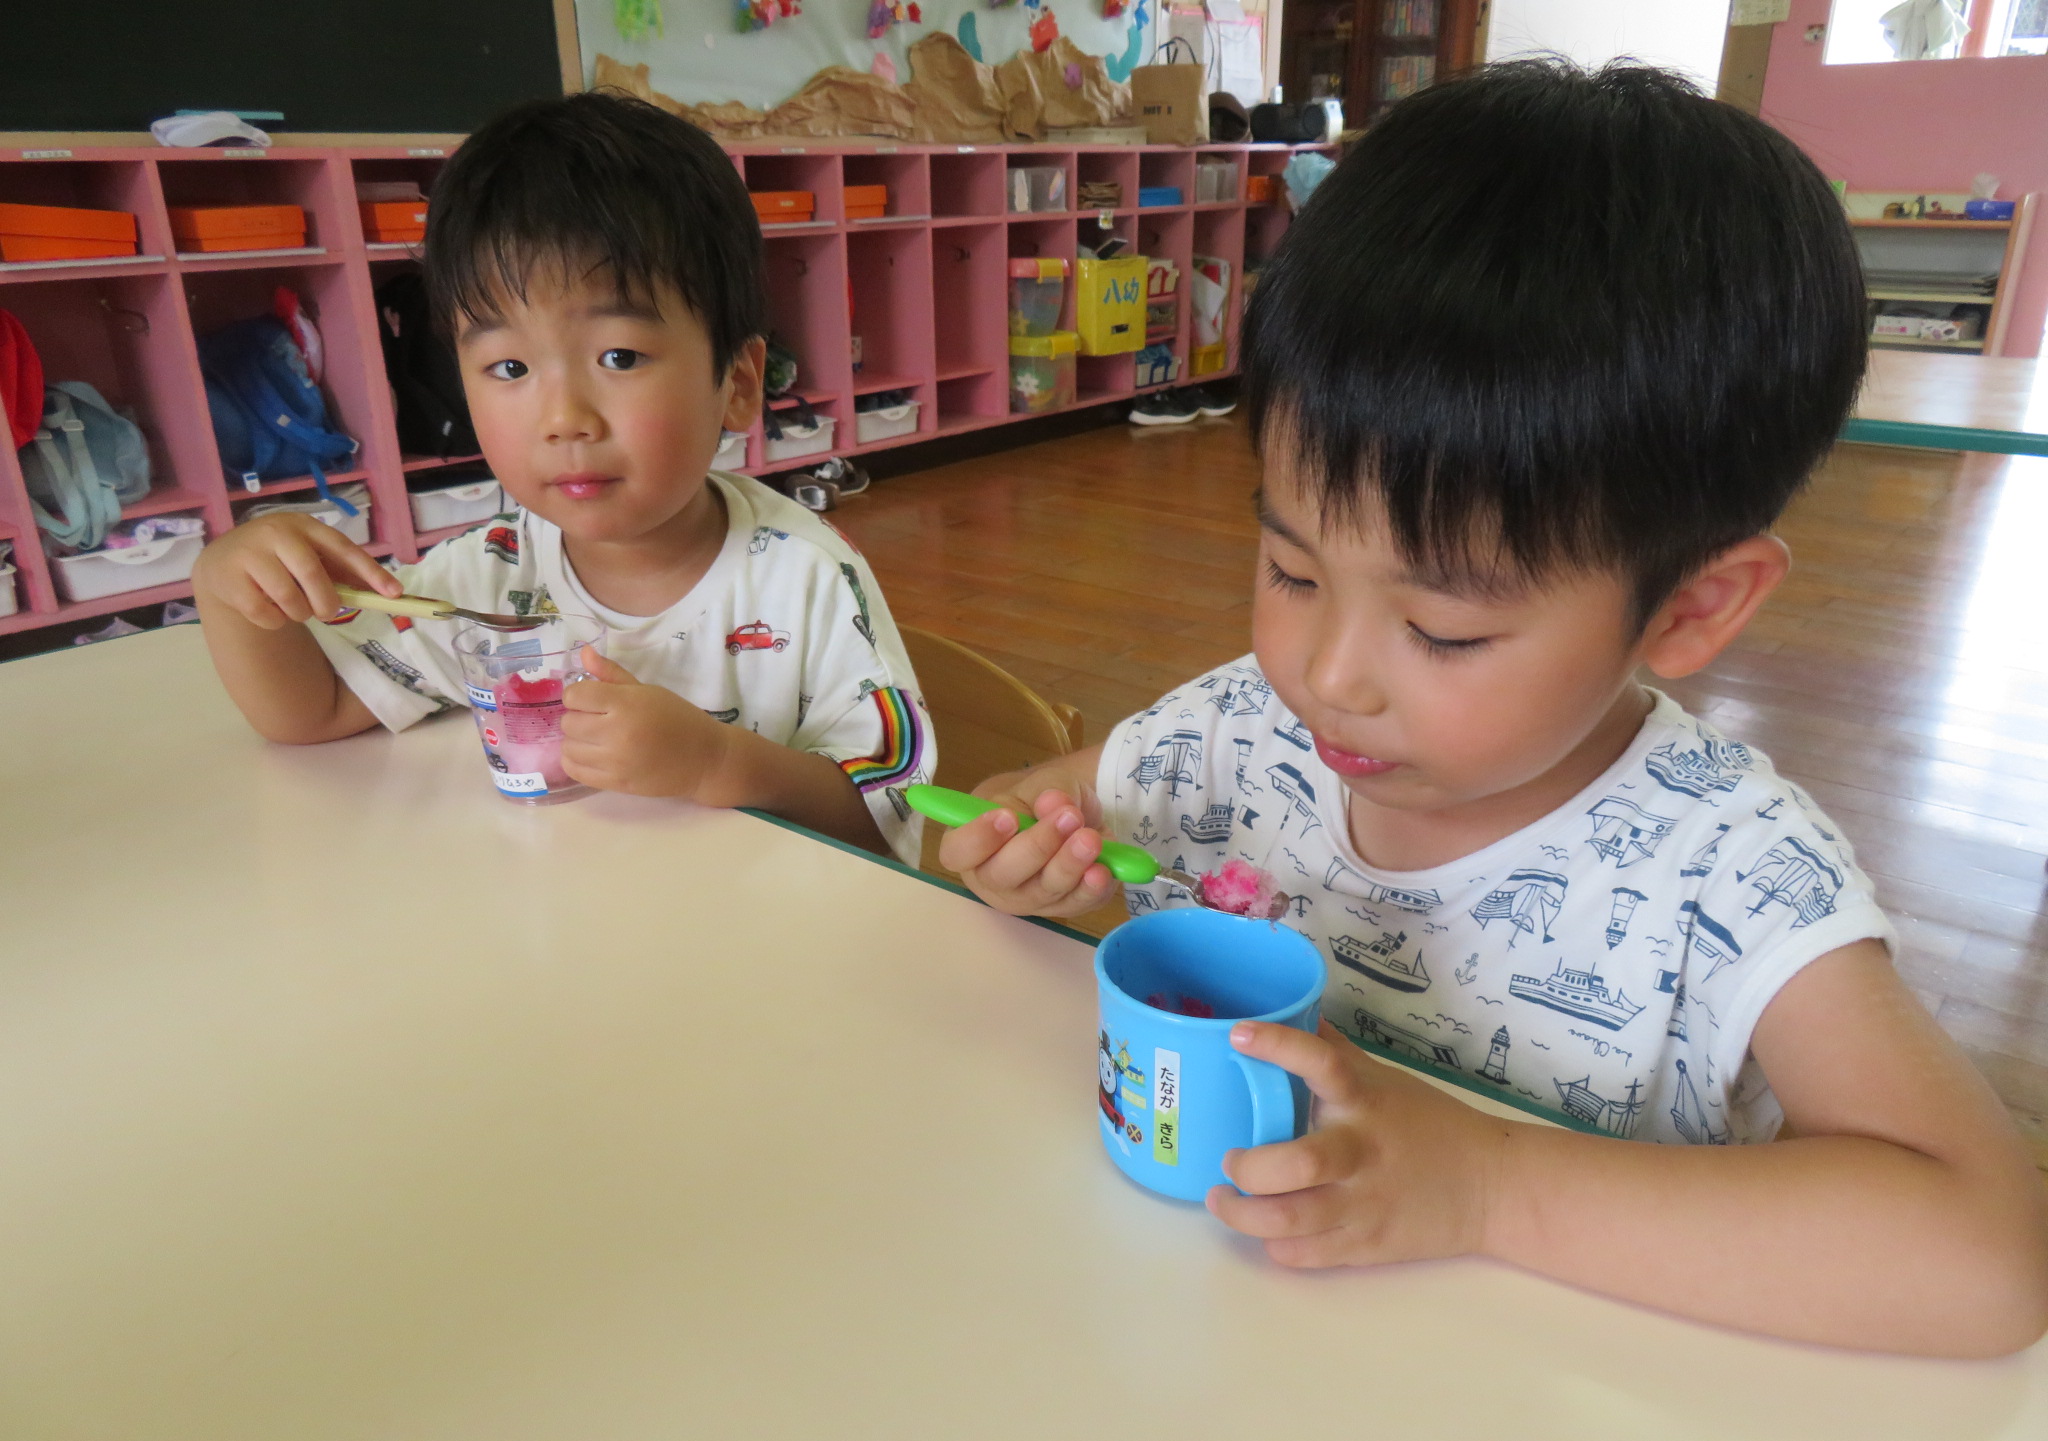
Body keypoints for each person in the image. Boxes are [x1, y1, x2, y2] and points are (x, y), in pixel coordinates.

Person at [939, 61, 2048, 1356]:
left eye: (1444, 630)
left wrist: (1486, 1188)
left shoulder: (1725, 875)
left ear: (1690, 608)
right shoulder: (1238, 732)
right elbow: (1040, 805)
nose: (1326, 675)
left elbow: (1986, 1259)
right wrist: (1029, 863)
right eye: (1291, 570)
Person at [191, 92, 932, 862]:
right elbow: (314, 713)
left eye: (619, 356)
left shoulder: (805, 578)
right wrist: (229, 589)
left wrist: (719, 764)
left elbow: (890, 819)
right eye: (509, 367)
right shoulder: (489, 578)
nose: (563, 418)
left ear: (739, 383)